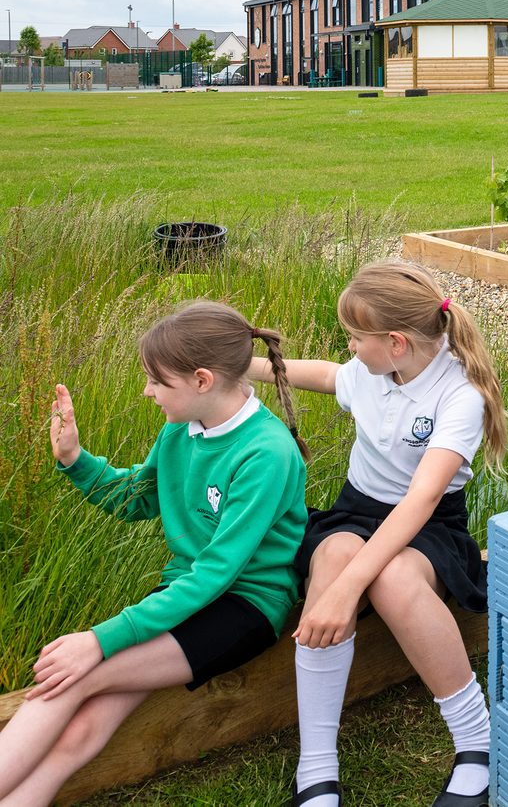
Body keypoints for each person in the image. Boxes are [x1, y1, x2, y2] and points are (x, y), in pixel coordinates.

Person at [0, 303, 307, 806]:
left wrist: (99, 640)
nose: (147, 392)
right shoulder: (181, 428)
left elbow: (216, 573)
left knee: (69, 679)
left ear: (202, 380)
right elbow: (135, 499)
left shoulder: (265, 454)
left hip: (244, 604)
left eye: (156, 382)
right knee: (82, 728)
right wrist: (76, 460)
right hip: (184, 595)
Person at [261, 261, 508, 807]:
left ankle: (477, 742)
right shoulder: (374, 372)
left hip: (428, 523)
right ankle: (318, 766)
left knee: (392, 579)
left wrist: (352, 589)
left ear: (395, 342)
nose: (348, 347)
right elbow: (327, 375)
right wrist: (249, 366)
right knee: (332, 559)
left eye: (354, 337)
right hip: (357, 509)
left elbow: (421, 500)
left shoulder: (458, 396)